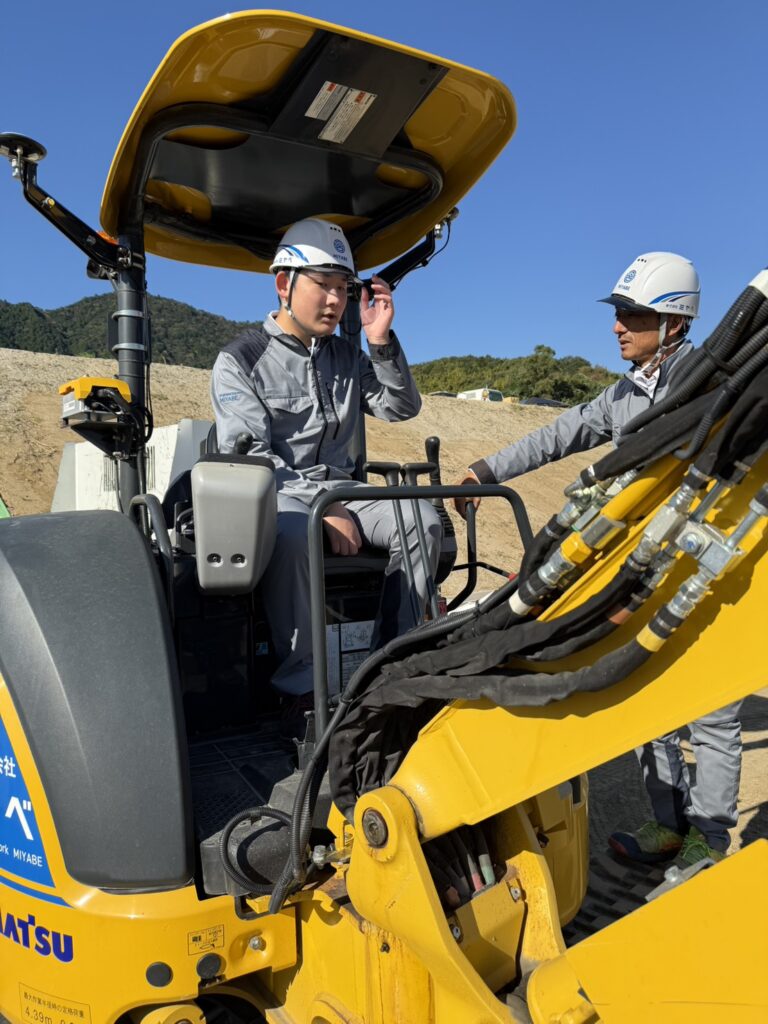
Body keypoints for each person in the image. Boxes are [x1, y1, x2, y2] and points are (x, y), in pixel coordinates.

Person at [453, 252, 742, 872]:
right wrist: (485, 470)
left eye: (631, 315)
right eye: (618, 314)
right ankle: (668, 825)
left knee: (711, 709)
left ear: (673, 322)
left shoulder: (718, 387)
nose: (617, 326)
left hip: (703, 566)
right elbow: (559, 434)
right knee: (641, 692)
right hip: (643, 566)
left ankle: (709, 841)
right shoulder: (624, 395)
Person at [211, 218, 441, 701]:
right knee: (296, 536)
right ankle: (303, 691)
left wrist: (380, 341)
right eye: (324, 285)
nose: (336, 300)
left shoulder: (347, 356)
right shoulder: (241, 360)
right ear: (284, 284)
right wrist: (326, 505)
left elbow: (400, 407)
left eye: (343, 288)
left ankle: (388, 668)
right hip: (279, 496)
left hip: (345, 491)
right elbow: (252, 460)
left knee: (420, 520)